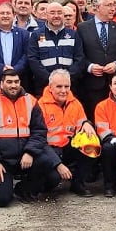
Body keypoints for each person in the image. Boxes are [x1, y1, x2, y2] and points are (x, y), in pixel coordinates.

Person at [0, 69, 58, 207]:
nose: (13, 85)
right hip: (2, 161)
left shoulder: (31, 101)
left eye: (16, 82)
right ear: (1, 84)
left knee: (52, 174)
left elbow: (39, 130)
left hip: (25, 157)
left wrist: (30, 152)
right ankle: (1, 183)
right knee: (1, 200)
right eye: (9, 82)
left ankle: (23, 190)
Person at [37, 69, 96, 197]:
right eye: (59, 86)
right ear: (50, 87)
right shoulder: (40, 106)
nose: (63, 90)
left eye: (66, 86)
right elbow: (39, 141)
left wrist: (87, 123)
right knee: (53, 179)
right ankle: (44, 184)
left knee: (92, 143)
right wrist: (57, 164)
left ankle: (78, 183)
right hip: (48, 151)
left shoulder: (75, 103)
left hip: (68, 147)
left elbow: (82, 122)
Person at [76, 0, 116, 114]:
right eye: (109, 5)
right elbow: (78, 55)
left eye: (114, 4)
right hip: (92, 86)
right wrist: (90, 67)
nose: (113, 8)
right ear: (97, 7)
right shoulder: (82, 28)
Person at [27, 0, 84, 95]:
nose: (56, 16)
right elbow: (33, 60)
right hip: (44, 88)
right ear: (46, 15)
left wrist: (66, 79)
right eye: (52, 13)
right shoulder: (36, 35)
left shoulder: (73, 35)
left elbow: (79, 59)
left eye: (59, 12)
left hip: (69, 88)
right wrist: (50, 80)